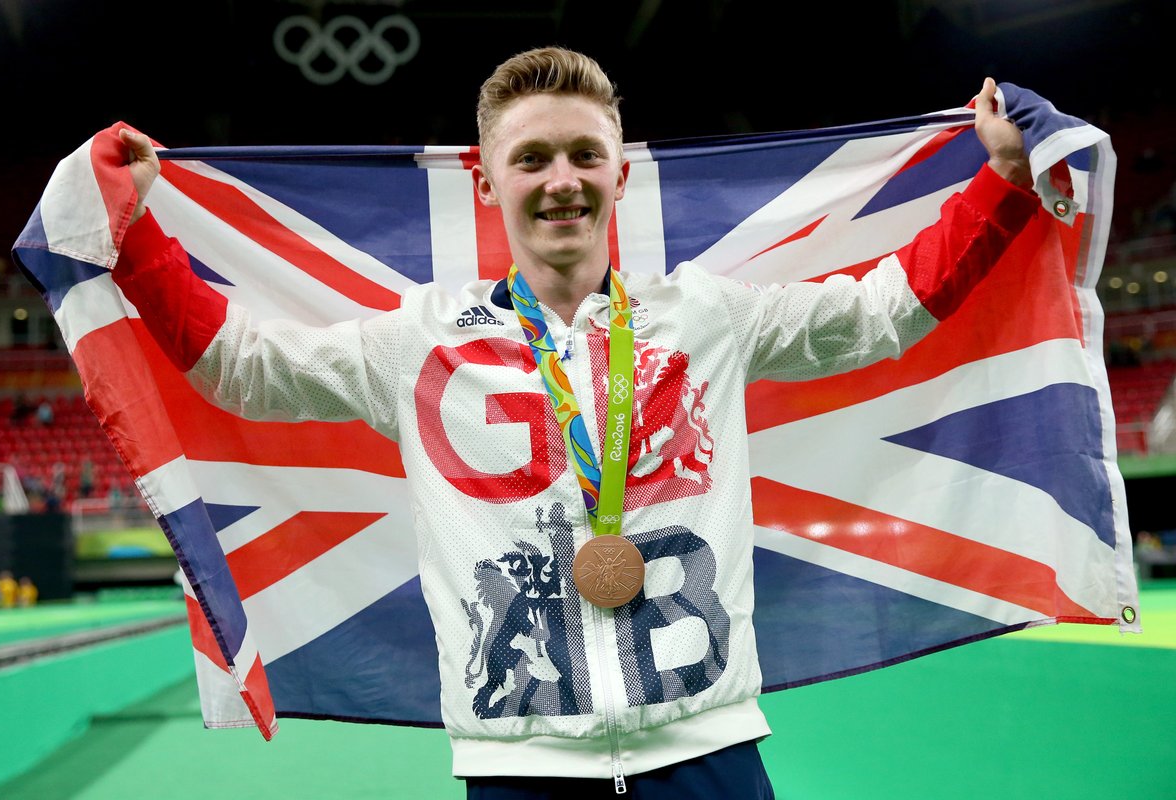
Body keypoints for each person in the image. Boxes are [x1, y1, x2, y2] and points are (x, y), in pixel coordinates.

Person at [110, 47, 1037, 799]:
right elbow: (241, 367)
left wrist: (1002, 177)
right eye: (532, 159)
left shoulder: (704, 316)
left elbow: (882, 313)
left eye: (585, 155)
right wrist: (134, 230)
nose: (563, 181)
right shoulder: (419, 340)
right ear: (487, 183)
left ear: (620, 174)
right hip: (518, 768)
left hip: (708, 750)